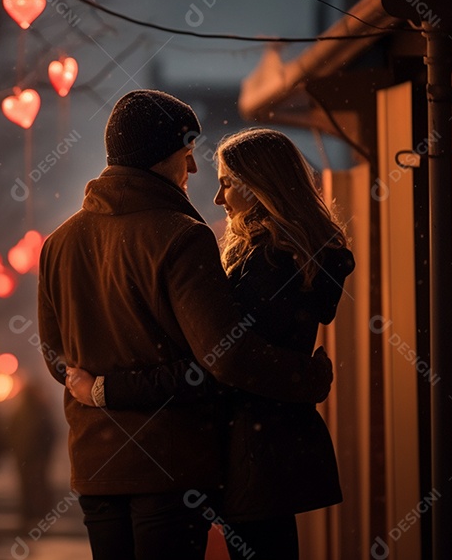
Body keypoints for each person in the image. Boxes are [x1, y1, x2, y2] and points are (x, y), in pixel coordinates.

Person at [36, 90, 334, 560]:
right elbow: (221, 358)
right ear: (160, 155)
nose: (193, 171)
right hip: (170, 466)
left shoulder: (58, 243)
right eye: (188, 154)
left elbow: (59, 362)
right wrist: (307, 376)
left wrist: (99, 390)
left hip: (96, 465)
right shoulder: (181, 236)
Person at [7, 378, 57, 527]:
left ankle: (31, 513)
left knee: (30, 486)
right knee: (36, 485)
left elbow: (11, 433)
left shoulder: (25, 412)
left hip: (28, 456)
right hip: (31, 456)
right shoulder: (38, 411)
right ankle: (36, 513)